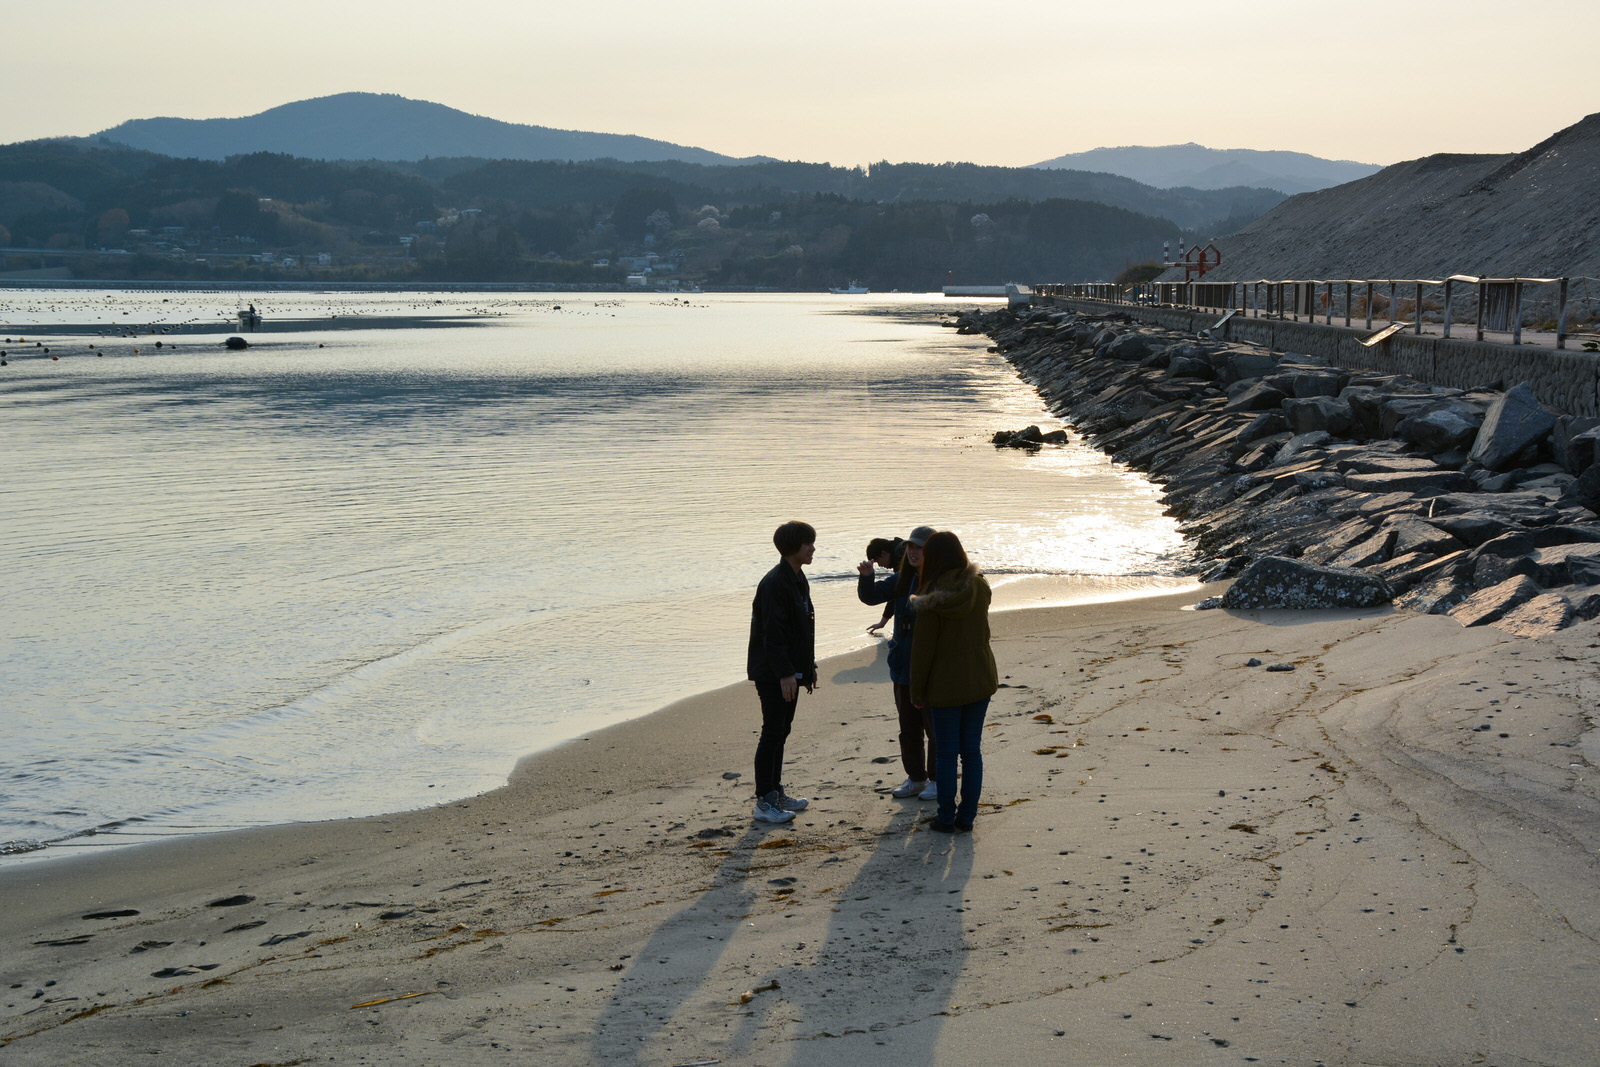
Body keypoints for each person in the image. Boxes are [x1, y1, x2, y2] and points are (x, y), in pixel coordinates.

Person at [909, 531, 998, 833]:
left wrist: (916, 691)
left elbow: (923, 651)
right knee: (971, 751)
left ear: (932, 558)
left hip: (945, 685)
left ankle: (946, 818)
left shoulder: (930, 597)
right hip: (979, 677)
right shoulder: (980, 585)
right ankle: (967, 817)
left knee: (947, 754)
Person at [858, 526, 938, 801]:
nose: (913, 552)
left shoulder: (941, 581)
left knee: (935, 729)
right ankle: (916, 779)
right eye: (911, 547)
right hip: (903, 665)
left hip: (931, 669)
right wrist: (866, 577)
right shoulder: (903, 578)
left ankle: (937, 779)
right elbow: (871, 596)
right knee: (909, 728)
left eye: (919, 548)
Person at [746, 520, 819, 825]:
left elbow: (801, 629)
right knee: (772, 731)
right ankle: (765, 800)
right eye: (808, 543)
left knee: (782, 730)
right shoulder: (775, 582)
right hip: (773, 672)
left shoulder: (797, 577)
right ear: (792, 547)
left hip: (789, 670)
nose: (813, 548)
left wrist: (807, 668)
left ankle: (775, 792)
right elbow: (772, 634)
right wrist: (786, 673)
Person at [862, 536, 905, 635]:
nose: (879, 565)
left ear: (883, 553)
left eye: (877, 561)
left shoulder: (902, 558)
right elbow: (895, 593)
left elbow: (896, 592)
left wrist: (882, 622)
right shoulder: (900, 554)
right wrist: (883, 622)